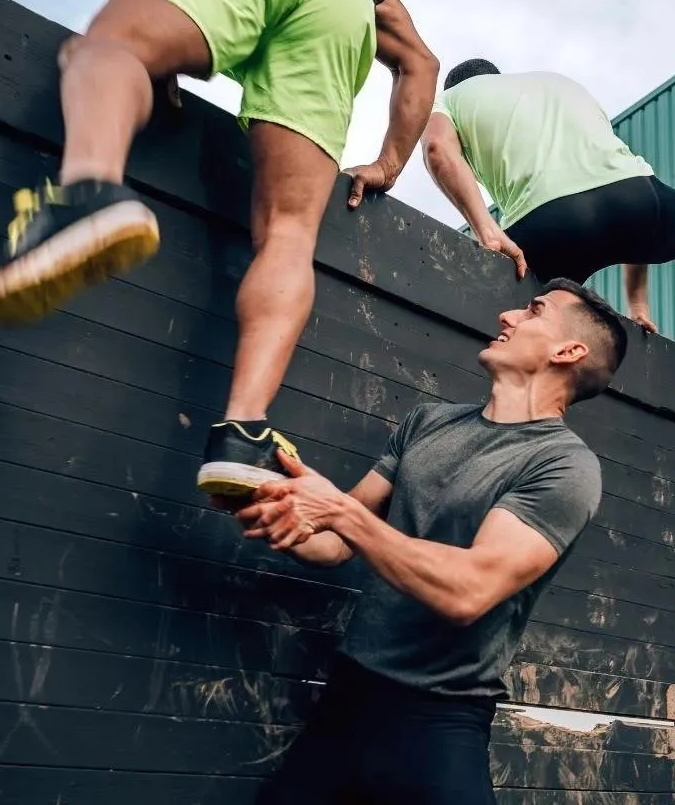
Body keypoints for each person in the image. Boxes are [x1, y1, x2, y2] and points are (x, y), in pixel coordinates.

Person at [0, 0, 440, 498]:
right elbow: (421, 62)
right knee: (289, 234)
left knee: (114, 45)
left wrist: (159, 58)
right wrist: (387, 164)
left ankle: (89, 189)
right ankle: (244, 433)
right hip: (340, 10)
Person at [232, 278, 626, 805]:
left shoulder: (564, 466)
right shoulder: (428, 422)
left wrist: (342, 513)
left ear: (568, 351)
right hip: (345, 702)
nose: (508, 315)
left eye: (533, 311)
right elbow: (336, 545)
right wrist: (267, 501)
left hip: (435, 723)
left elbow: (468, 591)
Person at [416, 58, 675, 386]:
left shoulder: (450, 99)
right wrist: (638, 306)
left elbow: (437, 149)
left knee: (529, 317)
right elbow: (608, 189)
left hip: (546, 222)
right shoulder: (556, 83)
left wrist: (486, 227)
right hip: (634, 197)